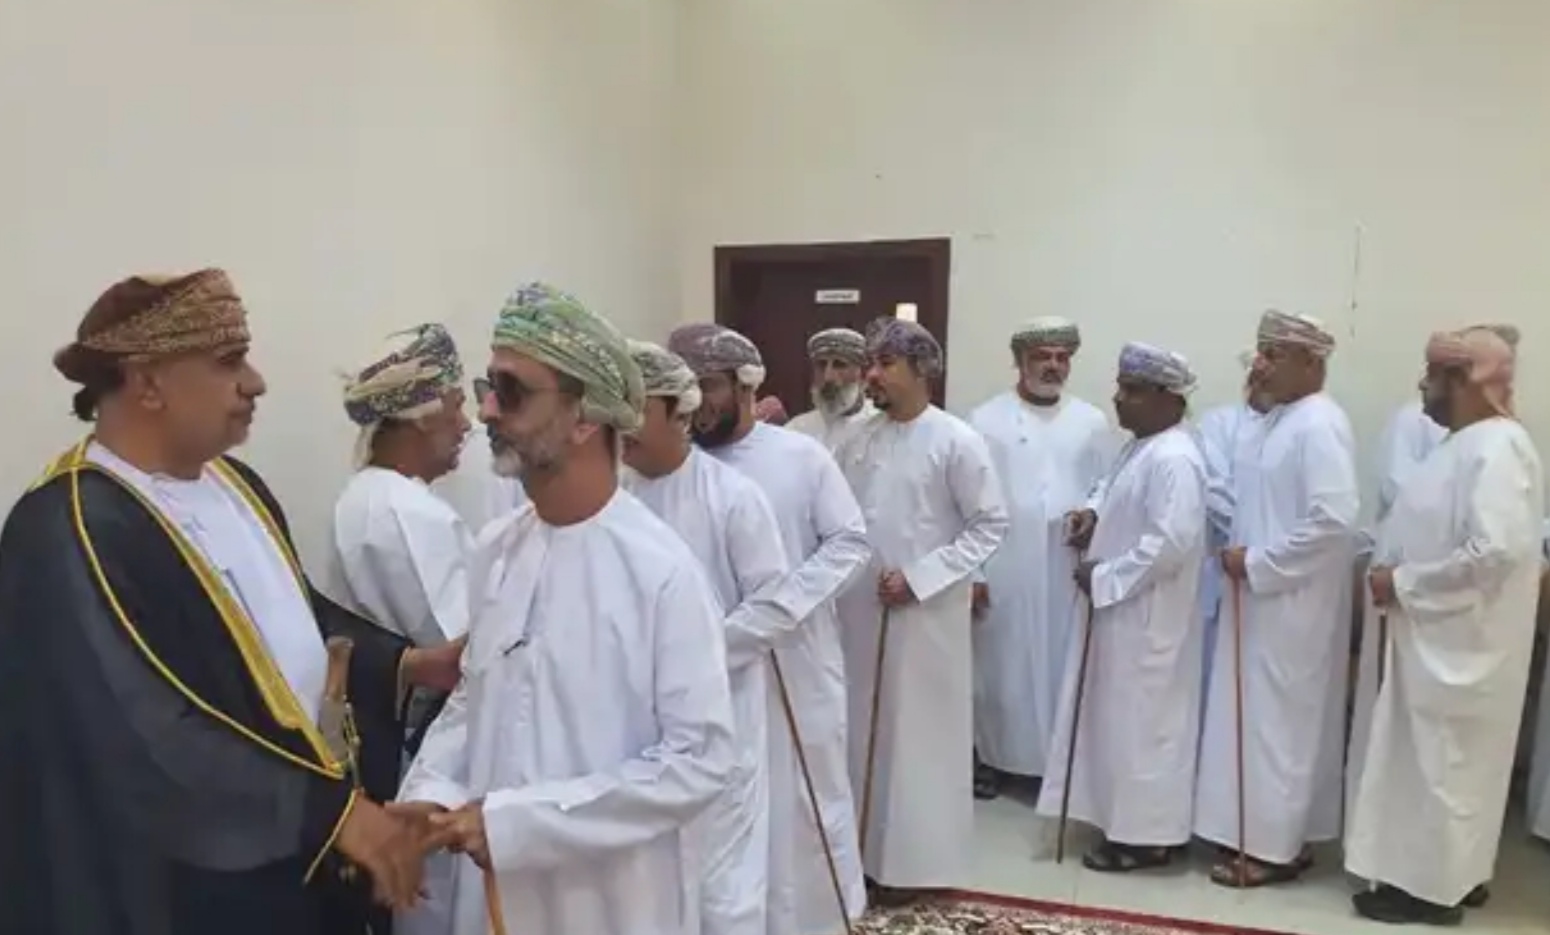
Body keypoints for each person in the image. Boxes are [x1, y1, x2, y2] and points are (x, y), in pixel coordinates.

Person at [0, 269, 463, 935]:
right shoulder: (70, 525)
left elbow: (292, 619)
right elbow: (143, 732)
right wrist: (328, 814)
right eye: (228, 362)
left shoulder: (234, 482)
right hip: (183, 892)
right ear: (148, 381)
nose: (255, 382)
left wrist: (410, 664)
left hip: (296, 855)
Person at [395, 282, 737, 935]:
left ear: (585, 418)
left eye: (512, 391)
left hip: (607, 901)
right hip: (494, 890)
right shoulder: (496, 551)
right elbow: (473, 699)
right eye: (487, 387)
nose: (486, 410)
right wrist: (430, 795)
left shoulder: (661, 572)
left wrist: (520, 824)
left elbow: (700, 758)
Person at [668, 321, 872, 935]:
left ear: (746, 384)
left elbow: (849, 542)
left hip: (794, 658)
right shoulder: (670, 468)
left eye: (707, 385)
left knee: (805, 800)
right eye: (683, 387)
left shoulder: (799, 456)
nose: (694, 402)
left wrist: (781, 607)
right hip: (706, 673)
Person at [1346, 326, 1542, 925]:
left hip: (1462, 648)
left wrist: (1404, 581)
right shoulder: (1464, 443)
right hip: (1436, 639)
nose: (1423, 385)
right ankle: (1451, 878)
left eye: (1433, 375)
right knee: (1437, 771)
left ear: (1463, 380)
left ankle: (1429, 893)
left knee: (1445, 771)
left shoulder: (1498, 447)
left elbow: (1495, 552)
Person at [619, 339, 793, 935]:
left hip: (723, 714)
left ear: (679, 411)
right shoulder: (612, 499)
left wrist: (690, 655)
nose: (622, 422)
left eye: (637, 406)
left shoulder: (733, 497)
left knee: (724, 887)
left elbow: (774, 607)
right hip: (635, 723)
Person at [834, 317, 1009, 903]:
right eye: (870, 363)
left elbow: (990, 524)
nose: (871, 375)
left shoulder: (956, 440)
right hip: (859, 615)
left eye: (885, 364)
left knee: (916, 743)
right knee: (861, 733)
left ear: (921, 370)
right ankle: (858, 855)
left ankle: (913, 866)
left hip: (925, 621)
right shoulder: (857, 437)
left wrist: (920, 578)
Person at [1194, 310, 1359, 888]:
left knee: (1281, 728)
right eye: (1260, 351)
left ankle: (1275, 849)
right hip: (1261, 601)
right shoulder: (1280, 421)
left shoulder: (1320, 424)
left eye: (1273, 354)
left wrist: (1259, 562)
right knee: (1260, 724)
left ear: (1310, 362)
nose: (1260, 365)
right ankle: (1271, 836)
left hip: (1293, 608)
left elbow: (1333, 521)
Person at [1035, 342, 1206, 872]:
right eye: (1120, 387)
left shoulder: (1175, 458)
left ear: (1167, 398)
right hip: (1124, 618)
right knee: (1121, 726)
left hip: (1149, 621)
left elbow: (1169, 544)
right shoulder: (1142, 447)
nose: (1118, 398)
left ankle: (1147, 839)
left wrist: (1104, 576)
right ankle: (1123, 825)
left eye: (1131, 390)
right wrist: (1092, 512)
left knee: (1145, 729)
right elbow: (1112, 488)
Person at [329, 323, 474, 935]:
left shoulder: (370, 495)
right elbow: (460, 653)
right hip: (421, 755)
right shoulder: (404, 510)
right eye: (457, 405)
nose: (467, 424)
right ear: (420, 416)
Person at [968, 317, 1111, 799]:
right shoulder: (984, 420)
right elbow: (967, 501)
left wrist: (1092, 511)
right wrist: (974, 572)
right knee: (1002, 664)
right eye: (1042, 357)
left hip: (1064, 564)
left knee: (1060, 661)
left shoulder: (1091, 420)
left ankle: (1058, 763)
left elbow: (1105, 482)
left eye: (1061, 357)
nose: (1053, 366)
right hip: (1005, 563)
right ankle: (994, 759)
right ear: (1020, 361)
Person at [1190, 351, 1270, 709]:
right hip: (1225, 569)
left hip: (1275, 571)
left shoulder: (1300, 426)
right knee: (1215, 680)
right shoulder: (1219, 424)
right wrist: (1253, 546)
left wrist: (1268, 555)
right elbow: (1216, 493)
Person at [787, 327, 876, 452]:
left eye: (840, 365)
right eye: (821, 365)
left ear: (863, 375)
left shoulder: (882, 425)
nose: (828, 376)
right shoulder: (797, 429)